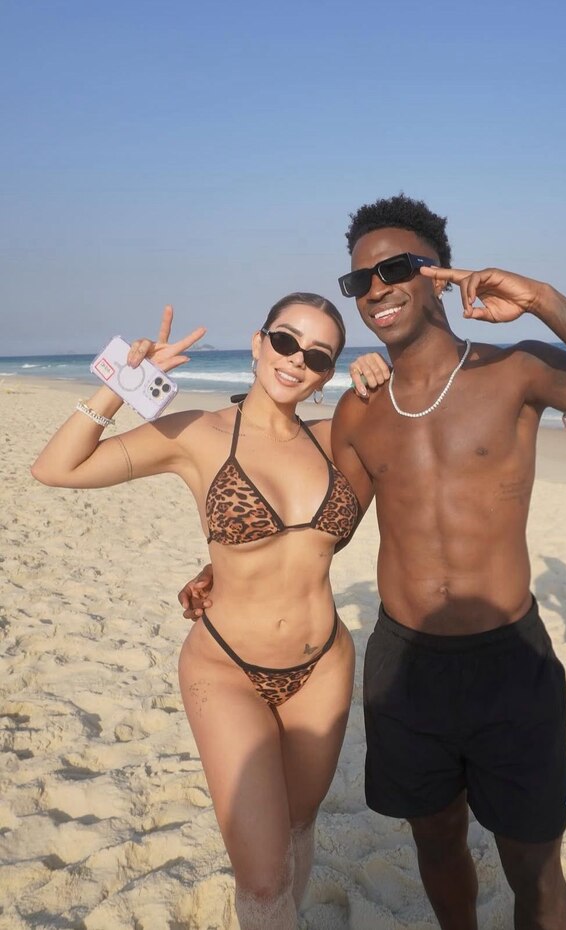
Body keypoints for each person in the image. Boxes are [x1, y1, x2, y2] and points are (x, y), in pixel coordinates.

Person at [180, 194, 566, 930]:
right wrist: (227, 565)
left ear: (439, 275)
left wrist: (543, 299)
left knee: (532, 861)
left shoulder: (516, 373)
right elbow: (327, 525)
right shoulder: (359, 410)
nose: (378, 288)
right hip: (406, 666)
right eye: (361, 280)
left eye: (396, 268)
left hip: (510, 661)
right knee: (437, 838)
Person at [31, 295, 362, 930]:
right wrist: (122, 383)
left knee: (296, 828)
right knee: (261, 884)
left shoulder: (334, 438)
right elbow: (57, 469)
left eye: (318, 355)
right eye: (286, 342)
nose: (297, 361)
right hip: (227, 670)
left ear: (328, 373)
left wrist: (378, 380)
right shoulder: (197, 434)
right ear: (259, 341)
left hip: (323, 667)